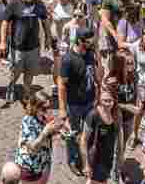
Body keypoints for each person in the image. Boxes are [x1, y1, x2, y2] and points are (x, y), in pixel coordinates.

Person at [1, 0, 53, 106]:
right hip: (17, 47)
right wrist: (2, 42)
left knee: (30, 71)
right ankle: (11, 88)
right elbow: (5, 22)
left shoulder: (39, 4)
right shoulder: (14, 3)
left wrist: (48, 37)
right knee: (15, 71)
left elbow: (45, 21)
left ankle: (26, 91)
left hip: (33, 47)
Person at [58, 25, 98, 176]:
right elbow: (62, 85)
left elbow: (96, 75)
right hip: (74, 104)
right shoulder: (68, 60)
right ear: (80, 41)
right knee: (73, 133)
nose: (91, 44)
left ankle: (85, 156)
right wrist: (62, 109)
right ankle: (73, 160)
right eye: (88, 42)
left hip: (90, 102)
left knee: (89, 132)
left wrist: (98, 57)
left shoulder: (90, 54)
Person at [1, 93, 64, 184]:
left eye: (50, 107)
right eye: (44, 108)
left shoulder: (45, 118)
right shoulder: (28, 121)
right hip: (29, 168)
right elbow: (32, 148)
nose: (48, 111)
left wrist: (59, 131)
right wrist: (45, 132)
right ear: (35, 108)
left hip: (43, 164)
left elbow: (50, 135)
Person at [81, 86, 120, 184]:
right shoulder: (93, 116)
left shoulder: (116, 113)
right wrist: (86, 164)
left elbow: (120, 134)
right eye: (104, 100)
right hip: (96, 159)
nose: (107, 104)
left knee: (103, 180)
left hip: (108, 157)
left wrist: (120, 155)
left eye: (110, 101)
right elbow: (83, 140)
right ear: (99, 100)